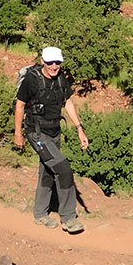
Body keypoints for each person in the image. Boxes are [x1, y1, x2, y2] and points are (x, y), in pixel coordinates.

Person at [14, 46, 89, 233]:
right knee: (63, 169)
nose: (54, 66)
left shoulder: (60, 79)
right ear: (42, 61)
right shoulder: (32, 80)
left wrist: (80, 129)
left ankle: (40, 214)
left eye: (57, 62)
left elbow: (68, 102)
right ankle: (68, 218)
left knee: (47, 171)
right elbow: (20, 105)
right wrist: (18, 133)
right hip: (37, 133)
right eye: (50, 63)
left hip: (54, 131)